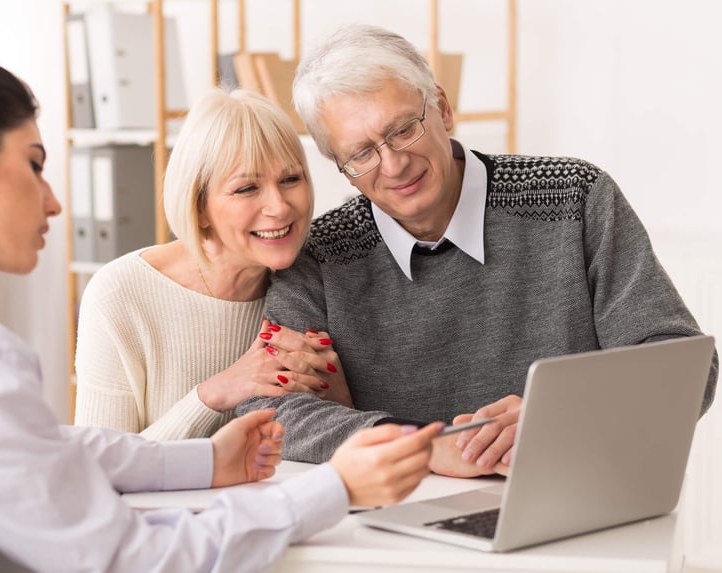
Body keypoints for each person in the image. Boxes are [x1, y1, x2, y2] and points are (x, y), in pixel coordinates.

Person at [0, 57, 445, 572]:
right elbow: (122, 557)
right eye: (35, 164)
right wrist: (334, 489)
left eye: (290, 179)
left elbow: (47, 451)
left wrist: (205, 461)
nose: (55, 200)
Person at [237, 23, 718, 475]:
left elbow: (685, 366)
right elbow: (270, 409)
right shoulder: (320, 255)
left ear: (442, 108)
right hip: (404, 524)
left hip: (576, 490)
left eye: (404, 128)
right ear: (340, 167)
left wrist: (562, 416)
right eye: (361, 153)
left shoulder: (575, 197)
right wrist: (425, 446)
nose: (394, 164)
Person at [74, 88, 350, 440]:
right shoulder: (120, 293)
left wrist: (337, 395)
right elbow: (99, 469)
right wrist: (212, 396)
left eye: (291, 179)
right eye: (247, 188)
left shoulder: (315, 281)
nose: (279, 207)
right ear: (199, 206)